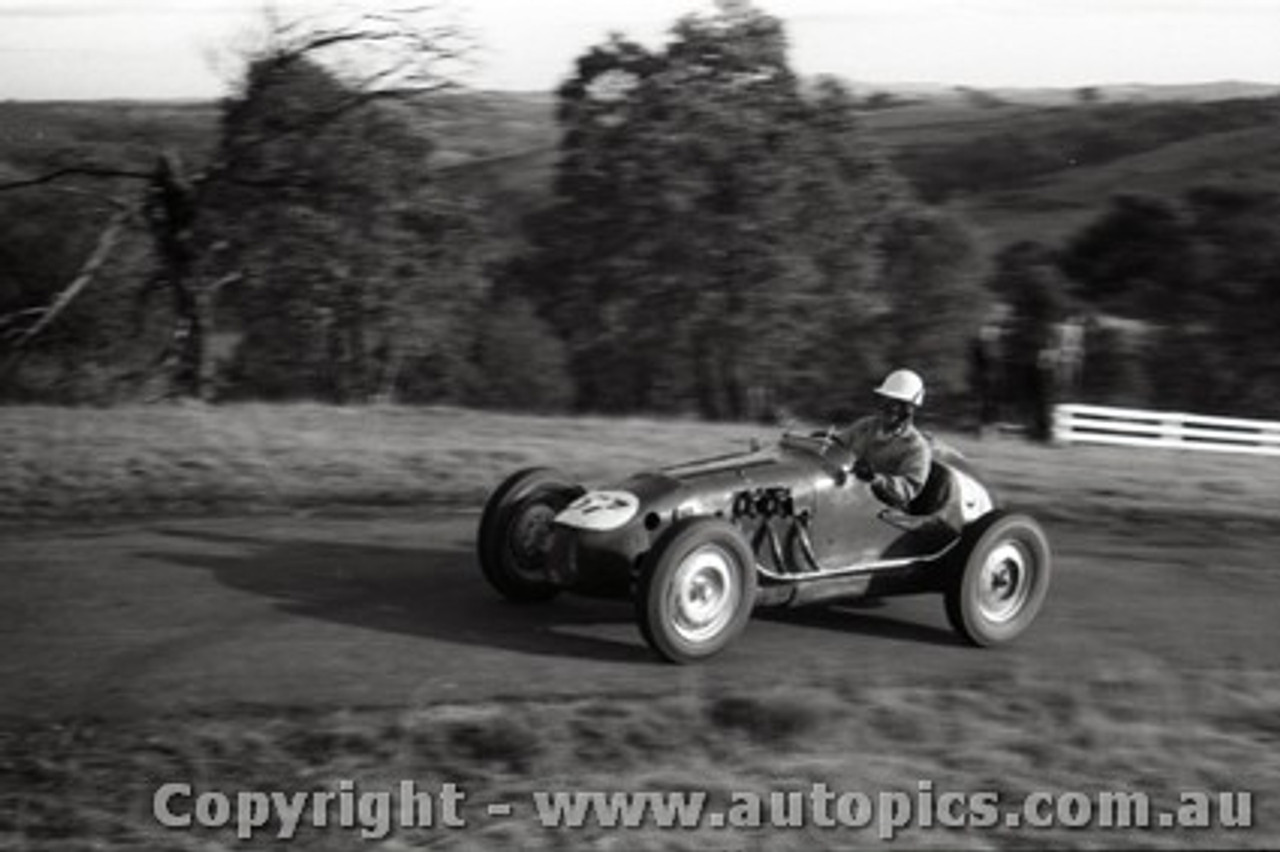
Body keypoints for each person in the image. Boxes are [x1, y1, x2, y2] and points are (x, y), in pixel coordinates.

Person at [836, 369, 932, 509]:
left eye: (900, 403)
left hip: (883, 513)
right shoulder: (864, 426)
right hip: (845, 498)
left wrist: (874, 478)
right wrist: (824, 442)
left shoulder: (917, 447)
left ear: (912, 408)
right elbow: (836, 447)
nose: (892, 408)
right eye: (888, 400)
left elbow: (908, 490)